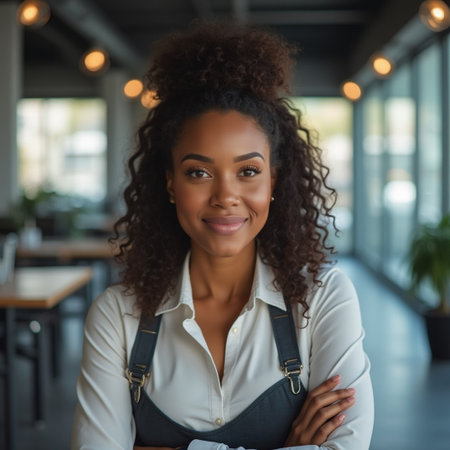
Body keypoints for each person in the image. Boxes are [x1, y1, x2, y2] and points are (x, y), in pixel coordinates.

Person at [71, 20, 374, 450]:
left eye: (248, 171)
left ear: (273, 181)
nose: (226, 196)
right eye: (199, 172)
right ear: (171, 184)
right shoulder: (116, 318)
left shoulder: (323, 298)